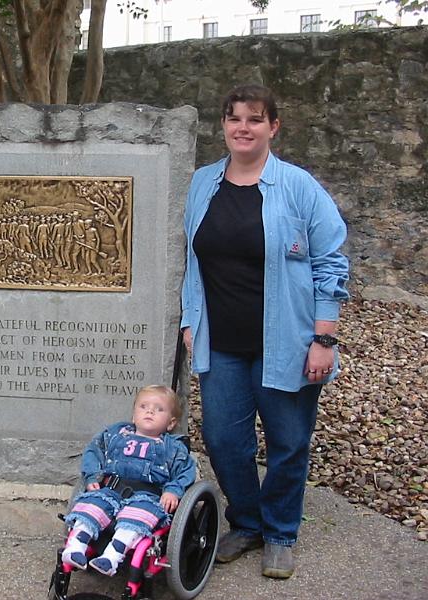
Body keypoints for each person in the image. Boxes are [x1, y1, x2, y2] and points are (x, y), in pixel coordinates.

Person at [180, 84, 350, 579]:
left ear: (273, 126)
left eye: (254, 119)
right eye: (234, 119)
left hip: (288, 341)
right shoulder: (202, 184)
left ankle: (279, 532)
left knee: (288, 440)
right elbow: (193, 259)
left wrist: (324, 337)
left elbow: (331, 262)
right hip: (222, 340)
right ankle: (248, 521)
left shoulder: (298, 187)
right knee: (223, 440)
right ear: (224, 126)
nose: (243, 128)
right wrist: (192, 319)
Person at [61, 385, 196, 576]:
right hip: (111, 489)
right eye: (143, 406)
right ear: (133, 415)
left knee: (137, 517)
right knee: (92, 504)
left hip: (147, 496)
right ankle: (75, 547)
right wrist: (92, 475)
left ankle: (111, 557)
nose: (150, 411)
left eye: (159, 409)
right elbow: (93, 452)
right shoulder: (115, 435)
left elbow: (186, 471)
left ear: (171, 423)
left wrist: (173, 489)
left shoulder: (173, 448)